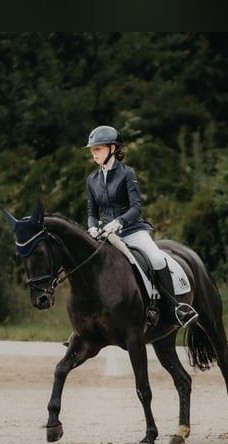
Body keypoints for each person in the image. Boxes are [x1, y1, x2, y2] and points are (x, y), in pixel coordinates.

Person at [84, 125, 198, 328]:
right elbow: (92, 213)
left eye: (98, 149)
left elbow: (136, 208)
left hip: (132, 231)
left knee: (156, 258)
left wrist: (119, 222)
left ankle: (176, 308)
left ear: (112, 148)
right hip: (106, 235)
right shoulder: (92, 180)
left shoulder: (127, 174)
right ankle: (86, 323)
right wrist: (92, 227)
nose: (94, 153)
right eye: (93, 150)